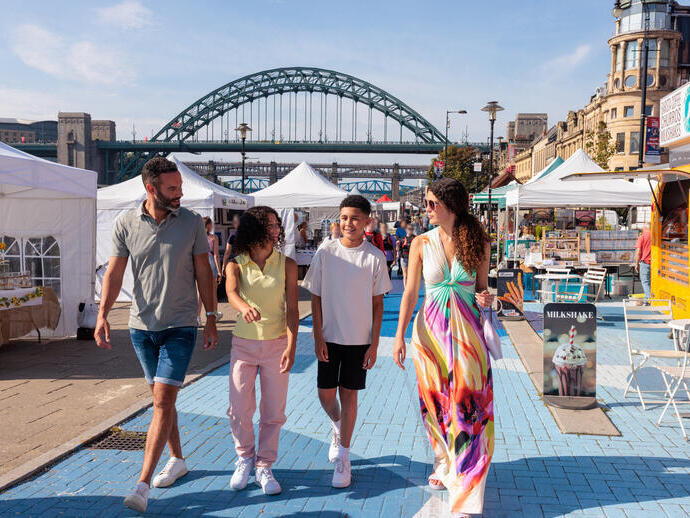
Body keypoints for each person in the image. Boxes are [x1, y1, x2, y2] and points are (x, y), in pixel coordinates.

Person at [95, 157, 218, 514]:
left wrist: (211, 316)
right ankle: (178, 459)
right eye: (172, 189)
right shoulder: (125, 222)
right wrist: (103, 316)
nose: (180, 194)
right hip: (140, 328)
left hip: (180, 325)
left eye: (180, 187)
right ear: (151, 189)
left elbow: (204, 274)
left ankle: (142, 484)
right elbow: (114, 275)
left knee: (162, 401)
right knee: (163, 402)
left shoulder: (193, 222)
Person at [392, 178, 494, 518]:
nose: (427, 208)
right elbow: (409, 293)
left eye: (432, 202)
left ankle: (466, 494)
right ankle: (442, 461)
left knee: (468, 408)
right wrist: (399, 336)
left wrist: (486, 297)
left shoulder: (478, 242)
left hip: (467, 336)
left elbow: (483, 288)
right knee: (435, 406)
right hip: (429, 336)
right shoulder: (420, 243)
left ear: (450, 205)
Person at [302, 195, 392, 489]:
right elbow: (315, 296)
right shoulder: (325, 252)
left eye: (354, 218)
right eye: (343, 217)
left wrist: (375, 344)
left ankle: (344, 456)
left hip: (358, 341)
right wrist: (318, 335)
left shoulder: (375, 257)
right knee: (326, 396)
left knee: (349, 395)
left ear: (367, 221)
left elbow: (378, 305)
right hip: (329, 337)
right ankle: (337, 425)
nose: (348, 223)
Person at [224, 206, 298, 495]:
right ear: (253, 228)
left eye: (276, 225)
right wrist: (244, 308)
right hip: (243, 344)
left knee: (273, 411)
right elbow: (231, 293)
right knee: (239, 408)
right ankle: (244, 457)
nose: (275, 230)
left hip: (277, 344)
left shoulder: (288, 264)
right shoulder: (236, 264)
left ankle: (264, 465)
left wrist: (292, 345)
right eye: (269, 225)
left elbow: (292, 308)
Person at [199, 217, 223, 324]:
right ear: (208, 225)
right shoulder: (214, 238)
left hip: (200, 263)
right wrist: (219, 271)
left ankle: (197, 317)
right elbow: (216, 255)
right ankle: (214, 314)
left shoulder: (197, 237)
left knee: (199, 292)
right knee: (213, 292)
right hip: (210, 263)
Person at [635, 223, 652, 299]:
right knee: (652, 283)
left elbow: (638, 252)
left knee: (645, 282)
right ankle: (650, 298)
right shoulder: (656, 236)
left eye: (643, 229)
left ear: (645, 229)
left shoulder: (642, 237)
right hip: (655, 263)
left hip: (645, 263)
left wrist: (636, 264)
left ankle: (648, 299)